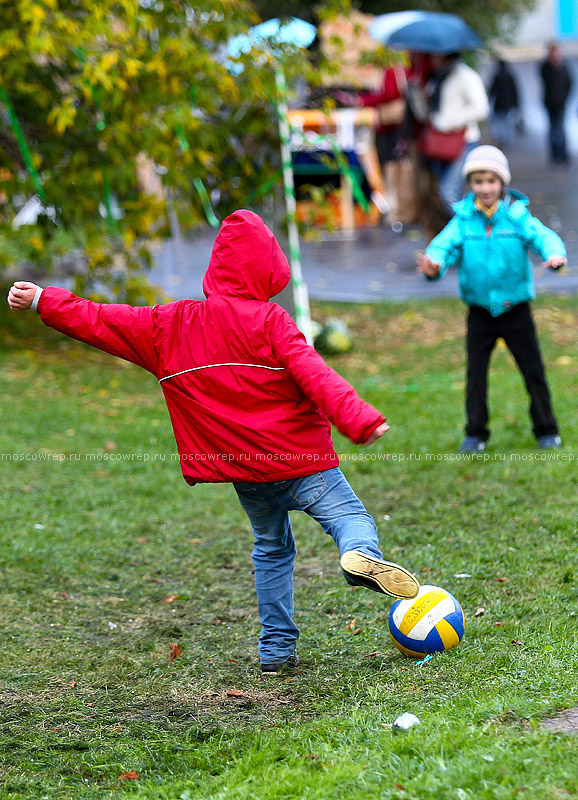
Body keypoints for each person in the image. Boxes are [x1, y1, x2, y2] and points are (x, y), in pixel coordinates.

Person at [7, 209, 420, 674]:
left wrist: (44, 299)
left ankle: (276, 651)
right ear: (269, 267)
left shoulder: (172, 324)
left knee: (272, 548)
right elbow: (314, 373)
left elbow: (103, 320)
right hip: (302, 462)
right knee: (348, 516)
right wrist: (360, 419)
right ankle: (359, 555)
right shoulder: (270, 320)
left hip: (244, 472)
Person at [416, 146, 566, 452]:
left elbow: (543, 236)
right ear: (470, 184)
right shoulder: (462, 221)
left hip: (515, 309)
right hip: (480, 311)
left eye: (491, 181)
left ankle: (546, 428)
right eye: (478, 181)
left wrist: (554, 254)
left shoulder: (516, 216)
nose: (485, 188)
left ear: (502, 183)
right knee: (476, 375)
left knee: (533, 370)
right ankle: (476, 433)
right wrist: (433, 264)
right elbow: (442, 247)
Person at [417, 53, 489, 218]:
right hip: (440, 143)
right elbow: (429, 112)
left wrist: (450, 121)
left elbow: (481, 109)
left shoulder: (465, 76)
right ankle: (463, 234)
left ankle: (471, 228)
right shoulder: (437, 77)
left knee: (448, 192)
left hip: (463, 141)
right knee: (447, 192)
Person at [540, 43, 573, 164]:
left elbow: (570, 83)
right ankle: (554, 155)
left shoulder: (564, 66)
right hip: (550, 103)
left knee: (560, 129)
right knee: (552, 130)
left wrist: (565, 98)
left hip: (561, 103)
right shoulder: (546, 67)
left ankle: (563, 155)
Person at [488, 59, 521, 147]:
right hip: (509, 103)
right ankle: (507, 140)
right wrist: (517, 103)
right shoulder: (510, 75)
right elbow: (515, 91)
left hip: (499, 104)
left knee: (500, 122)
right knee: (508, 123)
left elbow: (492, 91)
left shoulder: (497, 76)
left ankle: (502, 138)